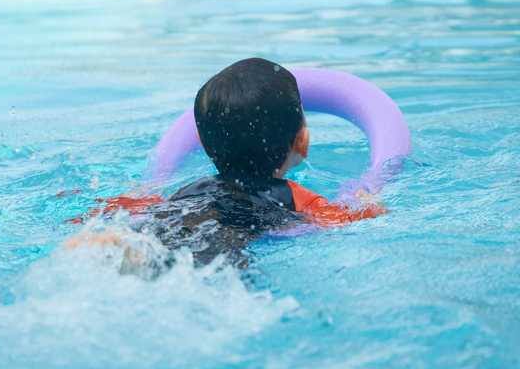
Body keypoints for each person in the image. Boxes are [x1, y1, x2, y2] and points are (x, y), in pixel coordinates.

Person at [66, 58, 385, 270]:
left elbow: (139, 206)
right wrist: (367, 204)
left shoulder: (191, 189)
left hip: (174, 215)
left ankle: (118, 245)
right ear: (301, 141)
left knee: (157, 242)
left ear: (203, 144)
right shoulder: (297, 196)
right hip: (225, 238)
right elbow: (339, 221)